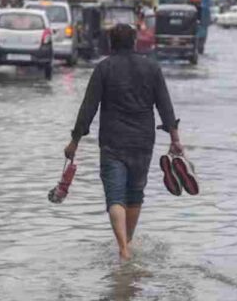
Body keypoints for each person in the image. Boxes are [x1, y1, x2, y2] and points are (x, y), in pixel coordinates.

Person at [64, 24, 183, 261]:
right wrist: (175, 139)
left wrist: (74, 142)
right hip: (143, 142)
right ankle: (127, 242)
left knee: (114, 196)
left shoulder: (103, 68)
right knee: (135, 193)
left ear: (110, 43)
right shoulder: (151, 67)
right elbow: (165, 105)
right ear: (135, 42)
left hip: (112, 142)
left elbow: (88, 108)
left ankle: (123, 247)